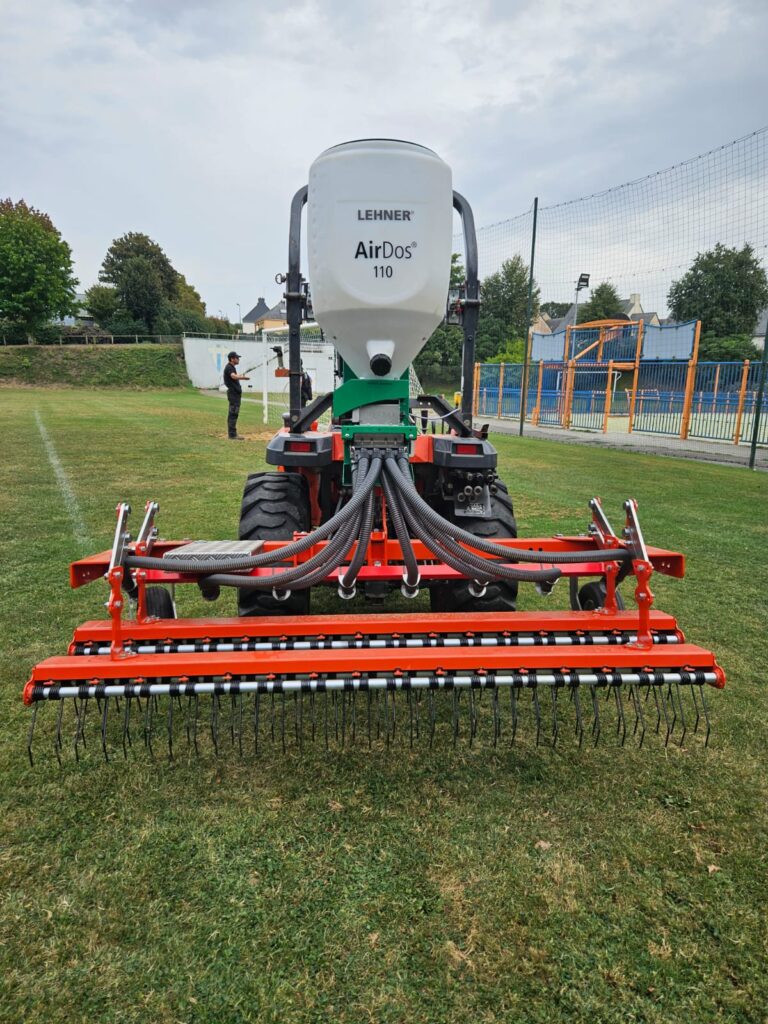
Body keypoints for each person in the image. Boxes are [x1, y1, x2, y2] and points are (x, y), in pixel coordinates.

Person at [223, 351, 249, 439]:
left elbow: (233, 376)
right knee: (233, 413)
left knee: (234, 413)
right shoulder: (229, 367)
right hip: (233, 394)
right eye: (237, 358)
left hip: (235, 394)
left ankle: (232, 434)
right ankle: (232, 435)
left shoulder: (231, 367)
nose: (238, 359)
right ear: (232, 359)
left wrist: (240, 376)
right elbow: (233, 376)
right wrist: (243, 377)